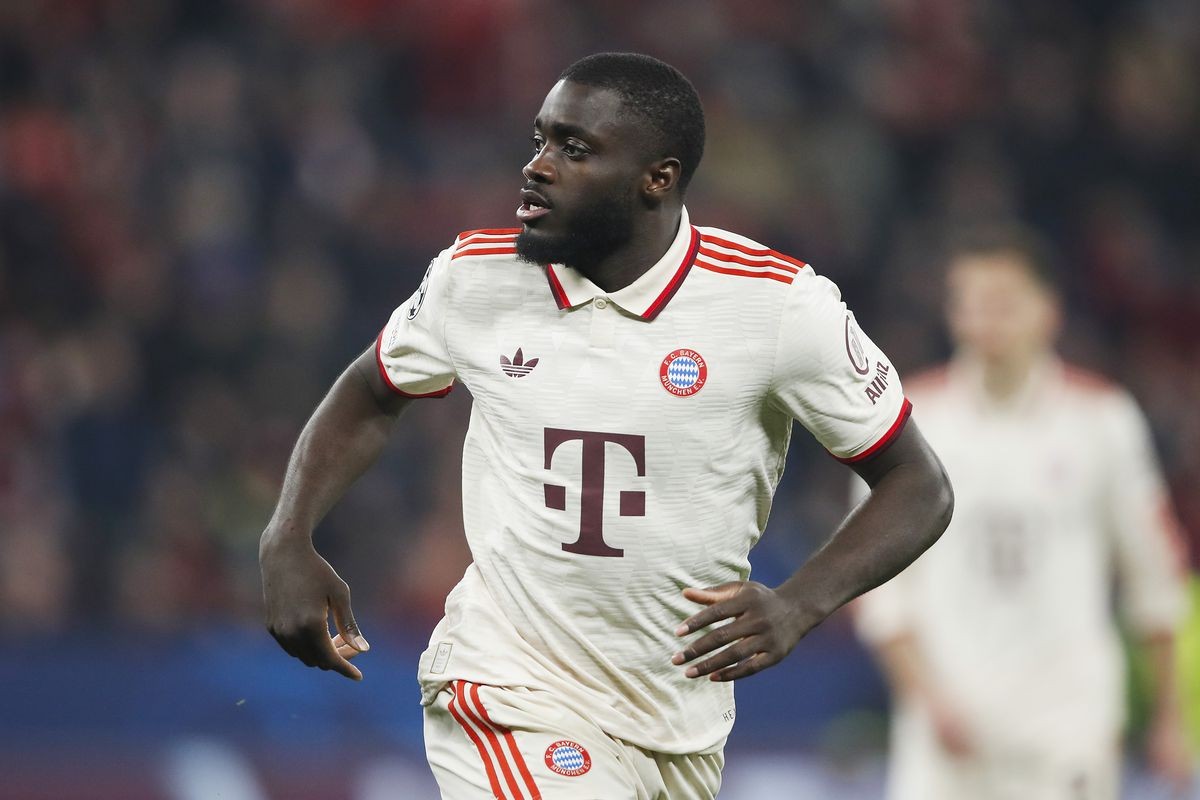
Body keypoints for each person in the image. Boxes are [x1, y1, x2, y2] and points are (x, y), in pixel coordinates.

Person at [259, 52, 953, 800]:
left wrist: (799, 603)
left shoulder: (775, 306)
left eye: (575, 149)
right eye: (540, 140)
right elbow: (371, 390)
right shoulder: (475, 276)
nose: (537, 166)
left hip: (678, 722)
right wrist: (288, 532)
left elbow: (918, 485)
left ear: (657, 178)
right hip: (508, 689)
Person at [853, 229, 1193, 800]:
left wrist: (1168, 715)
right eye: (972, 302)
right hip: (947, 727)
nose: (987, 320)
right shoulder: (907, 423)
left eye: (1005, 301)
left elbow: (1152, 571)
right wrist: (925, 696)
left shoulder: (1102, 420)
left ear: (1048, 310)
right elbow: (874, 582)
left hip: (1067, 725)